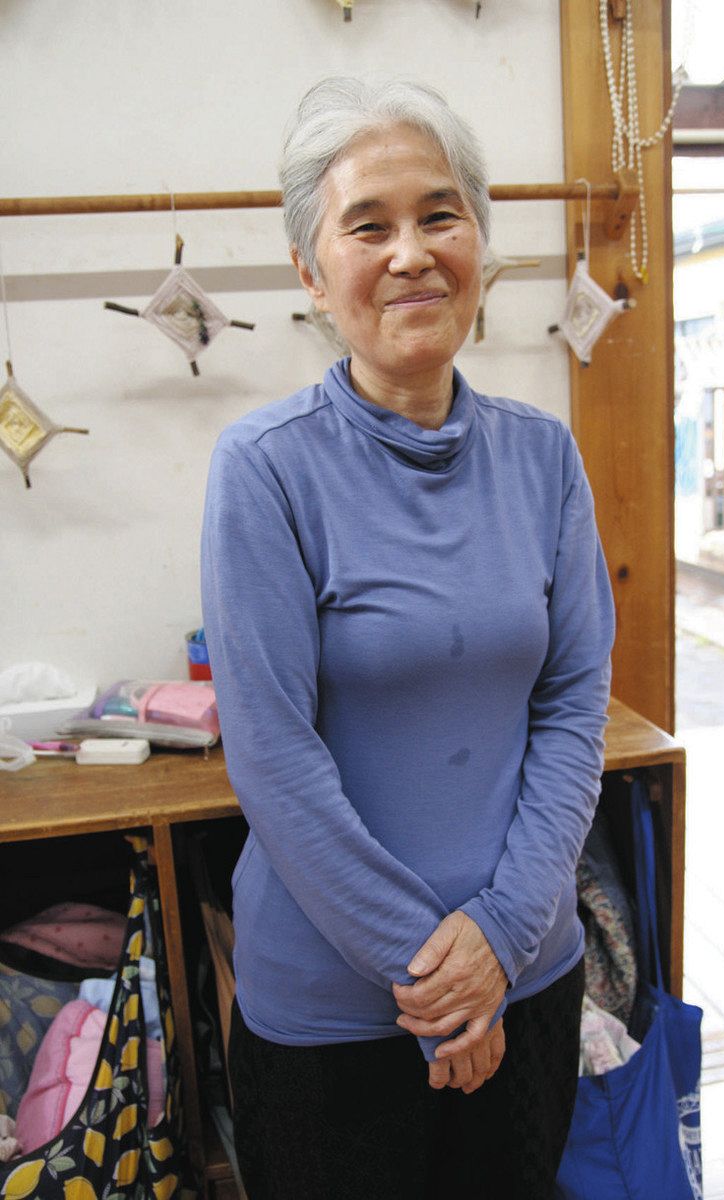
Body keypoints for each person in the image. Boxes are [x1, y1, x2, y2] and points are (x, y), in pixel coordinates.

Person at [201, 76, 615, 1200]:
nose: (411, 254)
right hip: (334, 1020)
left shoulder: (543, 456)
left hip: (528, 981)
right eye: (367, 226)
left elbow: (572, 705)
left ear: (478, 241)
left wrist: (499, 941)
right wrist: (436, 981)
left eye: (440, 215)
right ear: (309, 269)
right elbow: (273, 759)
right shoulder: (265, 469)